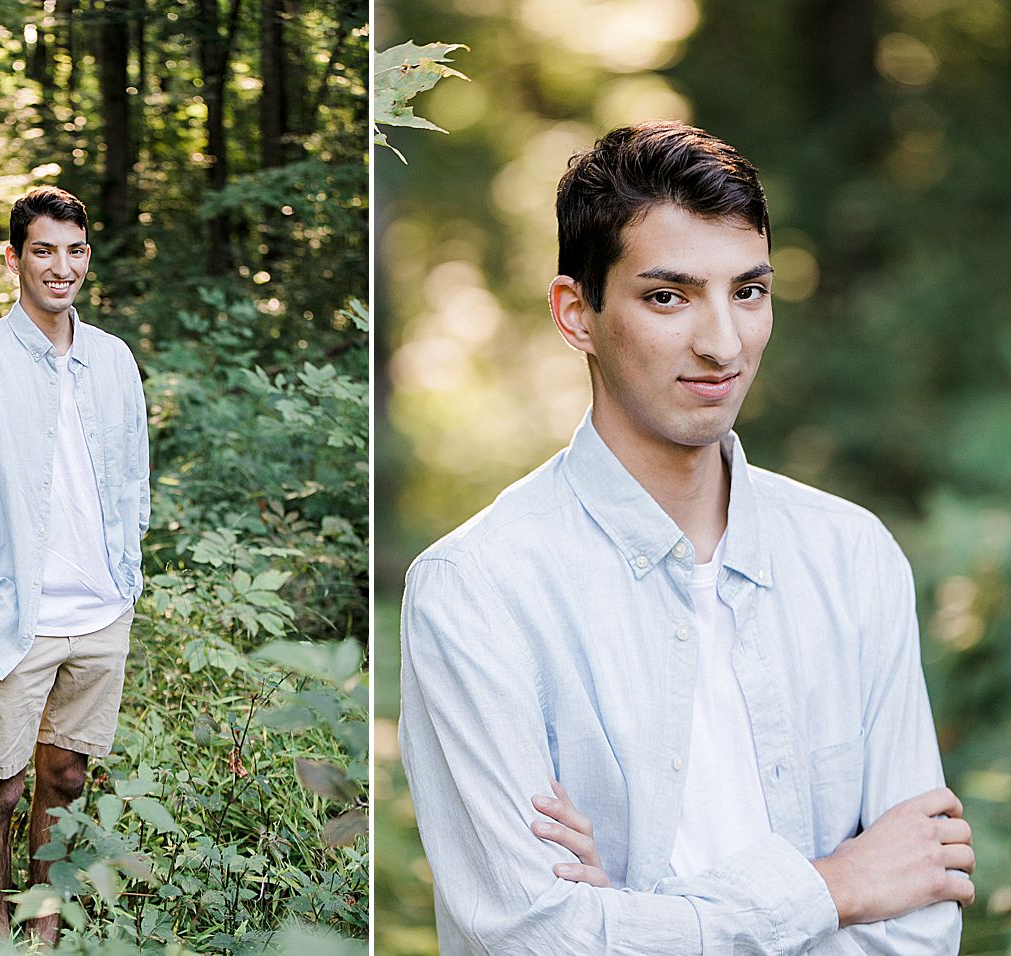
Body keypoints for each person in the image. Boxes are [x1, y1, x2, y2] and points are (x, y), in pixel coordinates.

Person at [398, 122, 974, 954]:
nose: (723, 343)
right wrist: (836, 884)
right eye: (667, 296)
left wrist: (630, 915)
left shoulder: (854, 558)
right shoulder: (477, 589)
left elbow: (917, 923)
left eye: (748, 291)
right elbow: (537, 940)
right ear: (576, 315)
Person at [0, 186, 150, 941]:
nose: (62, 267)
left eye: (75, 250)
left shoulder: (113, 360)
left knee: (67, 777)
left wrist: (127, 578)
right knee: (1, 785)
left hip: (100, 610)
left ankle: (43, 926)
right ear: (15, 257)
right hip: (17, 618)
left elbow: (131, 479)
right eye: (44, 250)